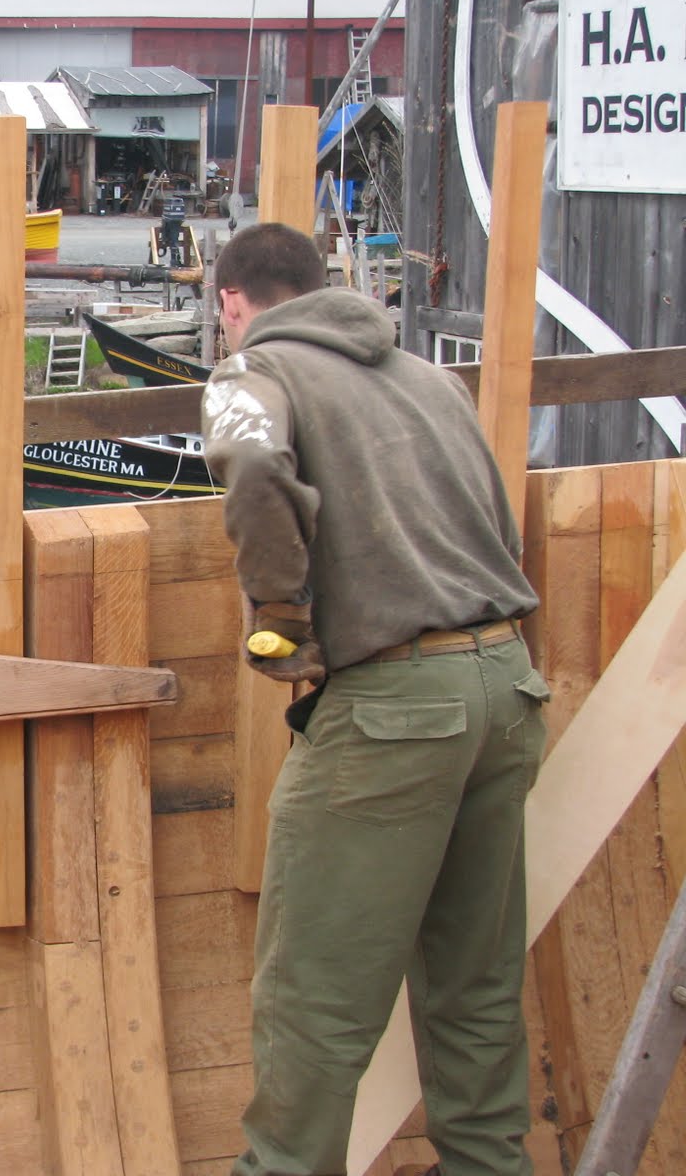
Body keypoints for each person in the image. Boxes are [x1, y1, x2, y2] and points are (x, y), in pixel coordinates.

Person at [200, 222, 549, 1176]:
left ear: (232, 302)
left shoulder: (252, 371)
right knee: (475, 988)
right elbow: (497, 524)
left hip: (398, 711)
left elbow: (254, 465)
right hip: (505, 683)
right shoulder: (432, 381)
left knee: (313, 996)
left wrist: (281, 613)